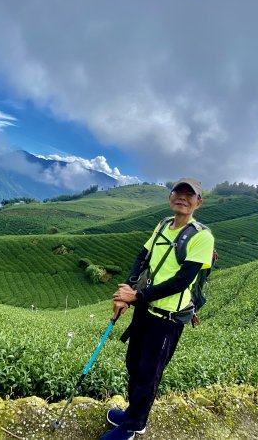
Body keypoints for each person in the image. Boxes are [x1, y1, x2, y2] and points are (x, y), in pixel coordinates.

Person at [100, 177, 215, 440]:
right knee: (134, 364)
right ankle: (133, 412)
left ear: (199, 202)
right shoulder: (163, 224)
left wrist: (136, 296)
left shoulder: (202, 237)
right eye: (178, 192)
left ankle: (134, 425)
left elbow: (182, 281)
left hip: (167, 318)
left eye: (190, 194)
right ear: (170, 196)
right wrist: (124, 293)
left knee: (149, 373)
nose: (182, 197)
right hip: (145, 309)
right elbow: (142, 258)